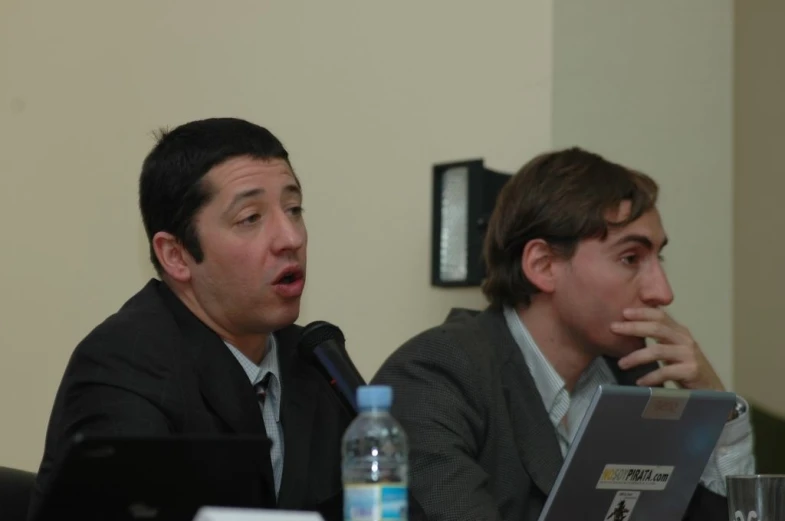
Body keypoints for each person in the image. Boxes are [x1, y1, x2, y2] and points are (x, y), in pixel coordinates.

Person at [372, 147, 755, 521]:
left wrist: (717, 410)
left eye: (659, 258)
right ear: (543, 265)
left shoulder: (634, 381)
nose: (663, 292)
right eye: (630, 258)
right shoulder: (436, 375)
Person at [28, 118, 353, 521]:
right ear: (176, 256)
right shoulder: (124, 364)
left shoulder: (315, 361)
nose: (291, 237)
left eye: (294, 208)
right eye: (250, 217)